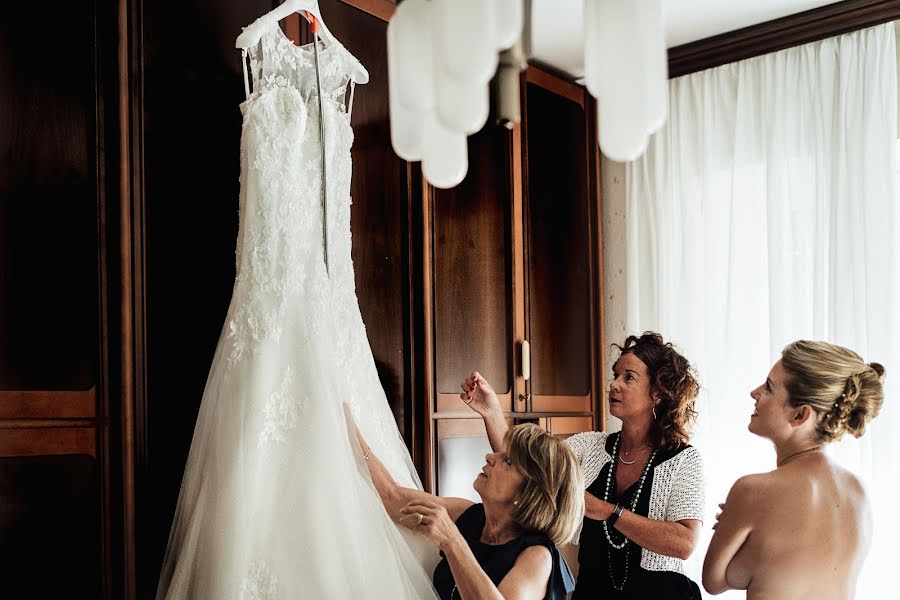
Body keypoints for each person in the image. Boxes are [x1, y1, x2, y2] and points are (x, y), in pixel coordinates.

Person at [465, 331, 705, 598]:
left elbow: (684, 543)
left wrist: (604, 510)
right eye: (616, 375)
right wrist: (491, 412)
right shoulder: (589, 445)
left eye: (629, 377)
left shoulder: (683, 459)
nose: (615, 385)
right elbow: (524, 466)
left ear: (658, 392)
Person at [703, 340, 885, 598]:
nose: (754, 393)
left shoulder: (753, 490)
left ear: (800, 415)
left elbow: (715, 581)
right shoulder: (859, 492)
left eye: (768, 388)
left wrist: (734, 524)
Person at [348, 406, 584, 600]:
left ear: (530, 492)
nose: (490, 457)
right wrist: (347, 426)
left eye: (508, 461)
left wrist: (452, 541)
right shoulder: (466, 515)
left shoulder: (538, 558)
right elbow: (392, 497)